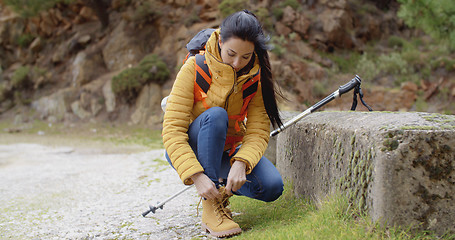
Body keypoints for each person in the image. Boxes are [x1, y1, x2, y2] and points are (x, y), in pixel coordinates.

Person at [162, 10, 284, 238]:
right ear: (220, 41)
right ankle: (211, 207)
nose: (238, 63)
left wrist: (241, 163)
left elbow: (258, 131)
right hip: (195, 147)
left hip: (228, 150)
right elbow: (172, 131)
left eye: (246, 57)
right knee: (216, 115)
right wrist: (197, 177)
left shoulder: (254, 77)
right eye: (231, 54)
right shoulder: (194, 67)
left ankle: (219, 189)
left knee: (271, 186)